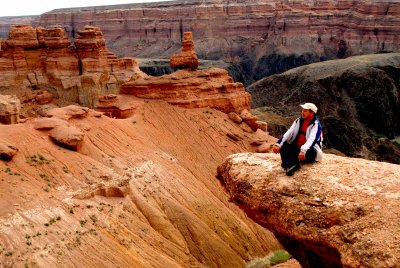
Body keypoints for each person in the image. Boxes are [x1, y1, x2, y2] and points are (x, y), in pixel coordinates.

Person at [272, 103, 323, 176]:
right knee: (285, 145)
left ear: (312, 113)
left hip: (309, 151)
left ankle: (291, 164)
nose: (302, 112)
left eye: (305, 111)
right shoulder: (299, 120)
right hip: (298, 148)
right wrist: (278, 144)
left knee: (310, 151)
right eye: (302, 110)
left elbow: (312, 140)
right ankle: (289, 164)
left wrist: (303, 150)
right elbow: (289, 132)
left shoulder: (316, 125)